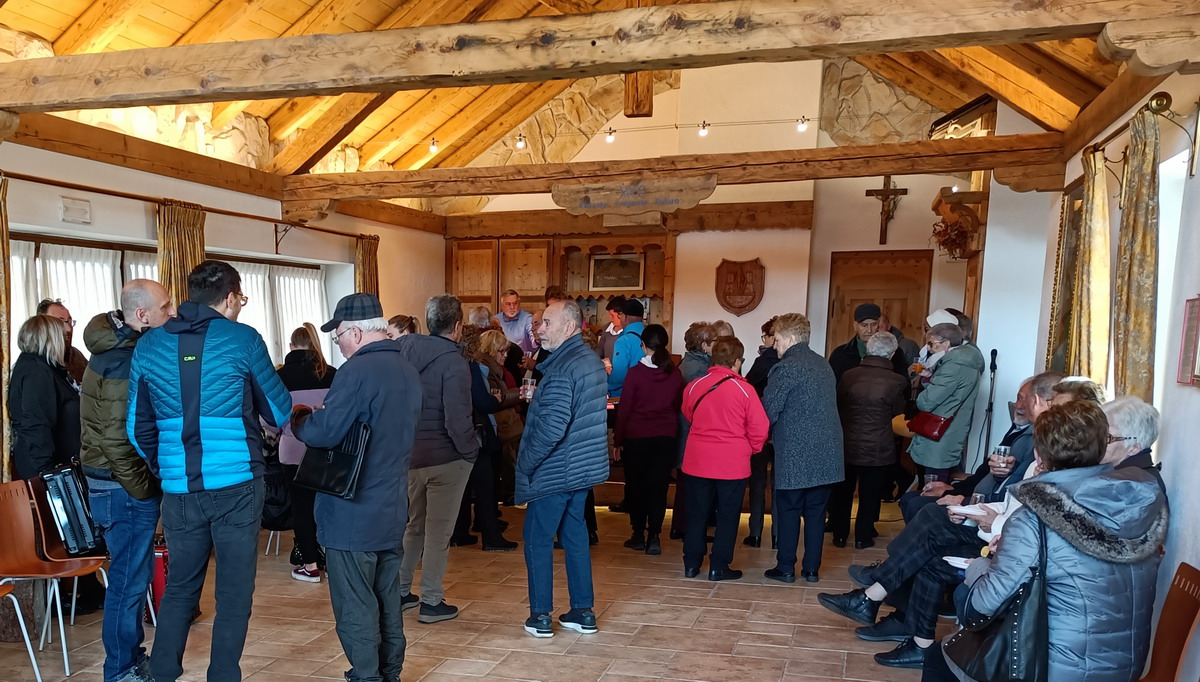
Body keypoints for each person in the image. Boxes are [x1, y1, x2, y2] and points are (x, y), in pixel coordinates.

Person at [815, 371, 1060, 668]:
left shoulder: (1047, 451)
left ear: (1043, 401)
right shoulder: (1032, 440)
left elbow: (1026, 516)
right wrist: (962, 494)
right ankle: (890, 613)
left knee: (931, 524)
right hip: (993, 521)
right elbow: (1006, 493)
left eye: (1025, 398)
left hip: (1001, 537)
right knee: (923, 518)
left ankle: (875, 593)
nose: (1019, 404)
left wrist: (979, 510)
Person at [128, 260, 291, 682]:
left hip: (179, 489)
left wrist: (166, 467)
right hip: (237, 484)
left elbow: (136, 428)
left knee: (181, 587)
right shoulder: (244, 339)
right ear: (231, 298)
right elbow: (279, 411)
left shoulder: (148, 345)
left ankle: (163, 672)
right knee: (234, 592)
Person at [928, 401, 1168, 681]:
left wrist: (978, 568)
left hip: (1054, 669)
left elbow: (980, 609)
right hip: (1126, 667)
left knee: (939, 656)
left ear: (1038, 455)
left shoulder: (1035, 517)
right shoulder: (1139, 499)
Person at [292, 293, 423, 682]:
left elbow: (326, 431)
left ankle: (366, 676)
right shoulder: (407, 369)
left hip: (352, 509)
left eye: (338, 337)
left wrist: (301, 420)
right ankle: (390, 673)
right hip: (391, 504)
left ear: (354, 332)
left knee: (355, 603)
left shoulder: (356, 371)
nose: (338, 345)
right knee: (386, 599)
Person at [80, 280, 174, 682]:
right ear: (142, 315)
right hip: (121, 487)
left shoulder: (114, 348)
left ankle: (128, 660)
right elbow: (117, 440)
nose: (172, 312)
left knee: (129, 578)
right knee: (128, 582)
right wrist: (145, 488)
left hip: (112, 483)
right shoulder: (121, 359)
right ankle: (121, 669)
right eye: (165, 307)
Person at [518, 301, 608, 638]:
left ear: (569, 327)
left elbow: (552, 428)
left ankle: (541, 616)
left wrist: (526, 462)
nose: (539, 330)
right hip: (581, 467)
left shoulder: (562, 367)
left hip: (555, 470)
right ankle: (583, 612)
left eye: (547, 323)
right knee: (575, 537)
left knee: (537, 540)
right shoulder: (589, 360)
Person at [395, 295, 478, 624]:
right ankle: (431, 601)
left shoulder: (403, 352)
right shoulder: (454, 362)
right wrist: (471, 451)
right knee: (438, 533)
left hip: (410, 456)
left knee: (414, 527)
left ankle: (400, 592)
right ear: (457, 326)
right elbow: (457, 419)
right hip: (446, 457)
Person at [763, 313, 844, 583]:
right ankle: (811, 569)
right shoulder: (823, 364)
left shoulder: (786, 368)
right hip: (827, 452)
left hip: (795, 452)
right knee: (816, 512)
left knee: (788, 510)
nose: (775, 345)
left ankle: (786, 567)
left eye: (777, 339)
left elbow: (769, 410)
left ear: (790, 338)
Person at [680, 336, 769, 581]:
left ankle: (691, 563)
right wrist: (750, 449)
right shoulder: (745, 390)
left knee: (697, 513)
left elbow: (688, 414)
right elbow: (760, 427)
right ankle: (718, 566)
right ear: (737, 361)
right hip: (732, 463)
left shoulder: (694, 386)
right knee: (728, 516)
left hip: (697, 460)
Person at [829, 332, 908, 549]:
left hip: (846, 442)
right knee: (870, 493)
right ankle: (863, 537)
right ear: (892, 353)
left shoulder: (849, 375)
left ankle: (840, 535)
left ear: (868, 349)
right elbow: (898, 412)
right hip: (878, 445)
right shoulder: (898, 381)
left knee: (843, 492)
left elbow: (838, 404)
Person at [613, 324, 683, 556]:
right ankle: (654, 536)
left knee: (636, 487)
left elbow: (624, 410)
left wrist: (617, 440)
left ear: (642, 345)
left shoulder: (635, 373)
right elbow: (677, 406)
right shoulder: (674, 373)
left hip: (637, 437)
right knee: (658, 488)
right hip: (665, 437)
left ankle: (637, 535)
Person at [276, 324, 337, 582]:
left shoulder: (279, 377)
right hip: (326, 450)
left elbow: (270, 419)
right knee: (329, 508)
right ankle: (334, 562)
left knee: (301, 509)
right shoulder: (331, 373)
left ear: (291, 346)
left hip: (292, 450)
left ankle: (310, 566)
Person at [452, 326, 518, 551]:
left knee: (463, 488)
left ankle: (459, 533)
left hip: (457, 432)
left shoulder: (451, 362)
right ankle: (491, 537)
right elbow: (481, 400)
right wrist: (494, 400)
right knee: (485, 486)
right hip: (476, 431)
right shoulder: (471, 366)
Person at [8, 314, 82, 481]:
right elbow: (37, 423)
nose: (65, 341)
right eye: (62, 336)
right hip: (49, 470)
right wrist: (47, 471)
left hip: (51, 465)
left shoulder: (35, 366)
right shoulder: (37, 371)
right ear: (51, 339)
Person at [907, 322, 983, 481]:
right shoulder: (964, 361)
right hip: (949, 429)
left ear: (946, 343)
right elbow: (950, 391)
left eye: (931, 343)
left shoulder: (953, 366)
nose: (928, 348)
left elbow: (926, 402)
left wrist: (920, 395)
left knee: (934, 484)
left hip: (941, 433)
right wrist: (930, 377)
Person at [670, 321, 716, 539]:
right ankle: (687, 529)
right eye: (714, 341)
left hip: (686, 431)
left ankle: (682, 527)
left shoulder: (689, 364)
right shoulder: (699, 370)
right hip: (691, 432)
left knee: (687, 485)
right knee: (692, 486)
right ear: (704, 344)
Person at [743, 316, 780, 548]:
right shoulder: (789, 362)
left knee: (757, 481)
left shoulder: (762, 362)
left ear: (772, 338)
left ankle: (755, 532)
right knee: (779, 483)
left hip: (759, 429)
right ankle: (777, 535)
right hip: (781, 430)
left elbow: (747, 389)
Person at [828, 303, 908, 382]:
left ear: (879, 324)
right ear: (855, 326)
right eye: (864, 325)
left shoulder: (895, 353)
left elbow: (903, 384)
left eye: (873, 325)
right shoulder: (839, 354)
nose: (869, 330)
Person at [1101, 396, 1164, 491]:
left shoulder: (1131, 486)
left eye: (1107, 437)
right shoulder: (1115, 472)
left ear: (1134, 448)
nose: (1095, 441)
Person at [37, 298, 87, 383]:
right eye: (60, 322)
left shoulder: (76, 355)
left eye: (69, 322)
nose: (68, 329)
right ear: (43, 326)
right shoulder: (35, 365)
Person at [607, 298, 646, 399]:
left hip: (625, 395)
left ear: (625, 317)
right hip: (646, 393)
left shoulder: (624, 341)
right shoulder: (650, 335)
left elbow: (619, 376)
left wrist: (605, 386)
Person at [494, 289, 537, 354]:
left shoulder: (527, 318)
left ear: (519, 304)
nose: (512, 307)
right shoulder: (496, 320)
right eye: (508, 304)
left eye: (515, 303)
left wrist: (536, 341)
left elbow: (533, 337)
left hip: (522, 357)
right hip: (501, 357)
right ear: (502, 306)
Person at [598, 296, 626, 362]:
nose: (610, 319)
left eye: (612, 315)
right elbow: (599, 349)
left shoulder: (628, 331)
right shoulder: (607, 328)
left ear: (621, 315)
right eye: (609, 315)